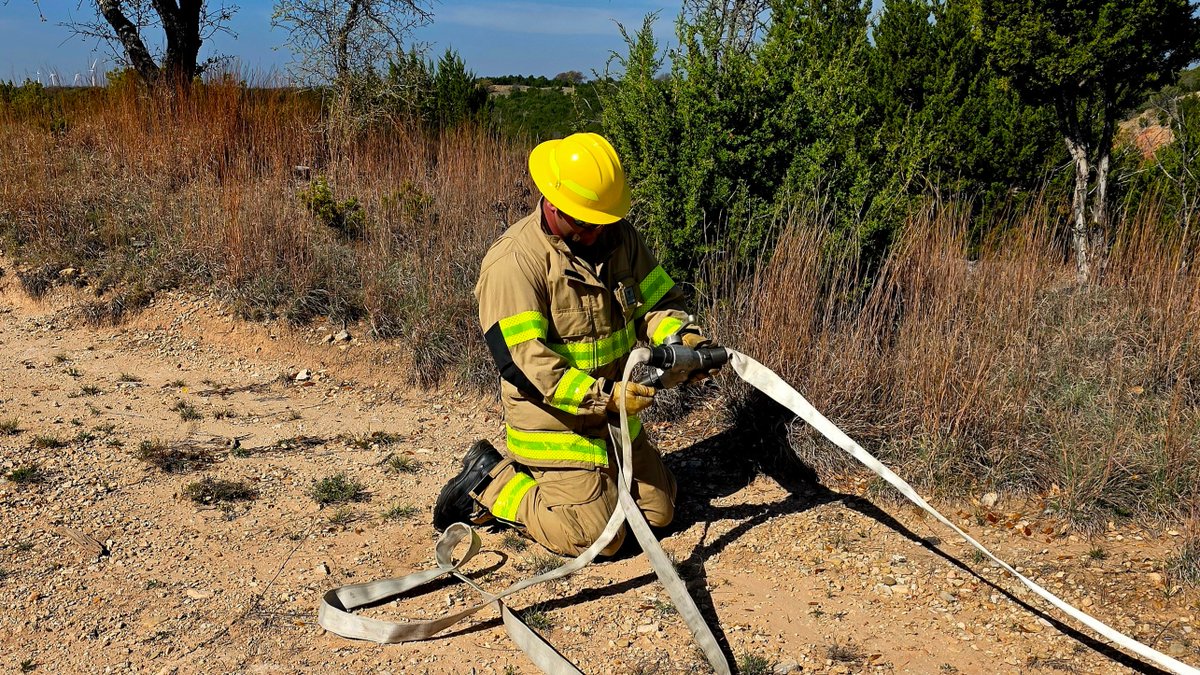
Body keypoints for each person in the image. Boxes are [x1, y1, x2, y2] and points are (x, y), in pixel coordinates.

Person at [432, 132, 717, 556]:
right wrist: (604, 396)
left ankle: (587, 486)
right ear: (552, 204)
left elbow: (658, 303)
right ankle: (493, 482)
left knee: (660, 513)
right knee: (598, 539)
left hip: (612, 417)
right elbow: (524, 363)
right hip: (555, 423)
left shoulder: (620, 239)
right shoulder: (515, 261)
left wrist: (683, 338)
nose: (597, 232)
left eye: (603, 220)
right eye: (585, 222)